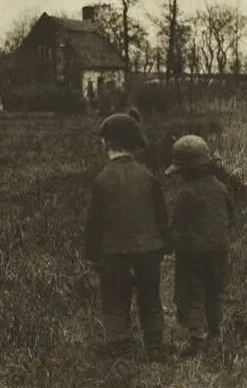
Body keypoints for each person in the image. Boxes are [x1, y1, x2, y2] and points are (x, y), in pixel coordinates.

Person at [84, 112, 172, 362]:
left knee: (114, 300)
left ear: (105, 144)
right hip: (147, 252)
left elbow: (94, 223)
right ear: (136, 145)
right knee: (151, 298)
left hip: (114, 255)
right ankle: (154, 346)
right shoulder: (147, 176)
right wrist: (165, 244)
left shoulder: (102, 180)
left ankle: (121, 346)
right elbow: (160, 214)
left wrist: (92, 254)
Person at [165, 135, 235, 356]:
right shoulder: (221, 188)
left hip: (192, 255)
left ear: (184, 170)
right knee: (214, 292)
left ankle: (198, 340)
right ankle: (215, 333)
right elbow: (230, 218)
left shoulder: (185, 194)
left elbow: (177, 226)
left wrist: (169, 247)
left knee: (192, 293)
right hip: (219, 251)